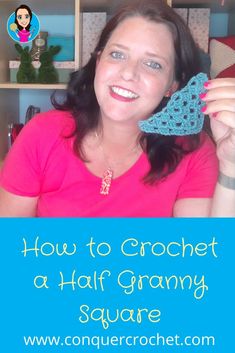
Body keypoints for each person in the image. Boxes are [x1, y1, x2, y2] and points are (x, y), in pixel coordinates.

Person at [0, 0, 235, 217]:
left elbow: (204, 256)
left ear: (172, 86)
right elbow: (10, 250)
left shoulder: (194, 151)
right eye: (117, 54)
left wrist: (231, 165)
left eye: (153, 64)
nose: (128, 73)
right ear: (98, 61)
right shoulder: (42, 134)